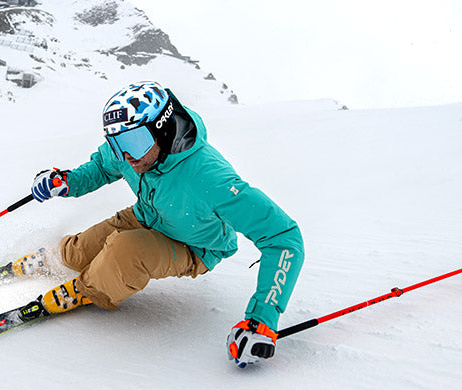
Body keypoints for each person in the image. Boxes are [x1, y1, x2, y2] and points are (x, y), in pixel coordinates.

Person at [27, 81, 304, 367]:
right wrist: (66, 182)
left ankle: (88, 289)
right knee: (81, 250)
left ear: (163, 130)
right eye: (117, 143)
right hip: (148, 215)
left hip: (194, 244)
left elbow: (283, 237)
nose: (126, 156)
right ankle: (56, 258)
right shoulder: (132, 149)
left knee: (124, 250)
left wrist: (261, 320)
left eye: (134, 142)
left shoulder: (209, 176)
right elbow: (102, 166)